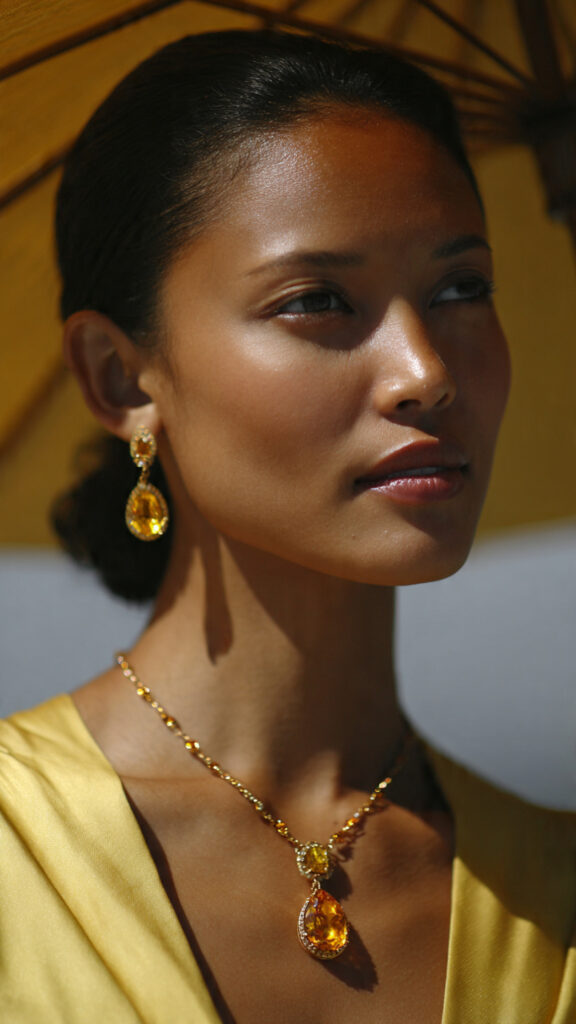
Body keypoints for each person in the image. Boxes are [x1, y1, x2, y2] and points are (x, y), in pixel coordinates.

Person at [0, 29, 574, 1023]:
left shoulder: (557, 889)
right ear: (120, 378)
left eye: (460, 286)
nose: (426, 371)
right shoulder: (17, 853)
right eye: (318, 301)